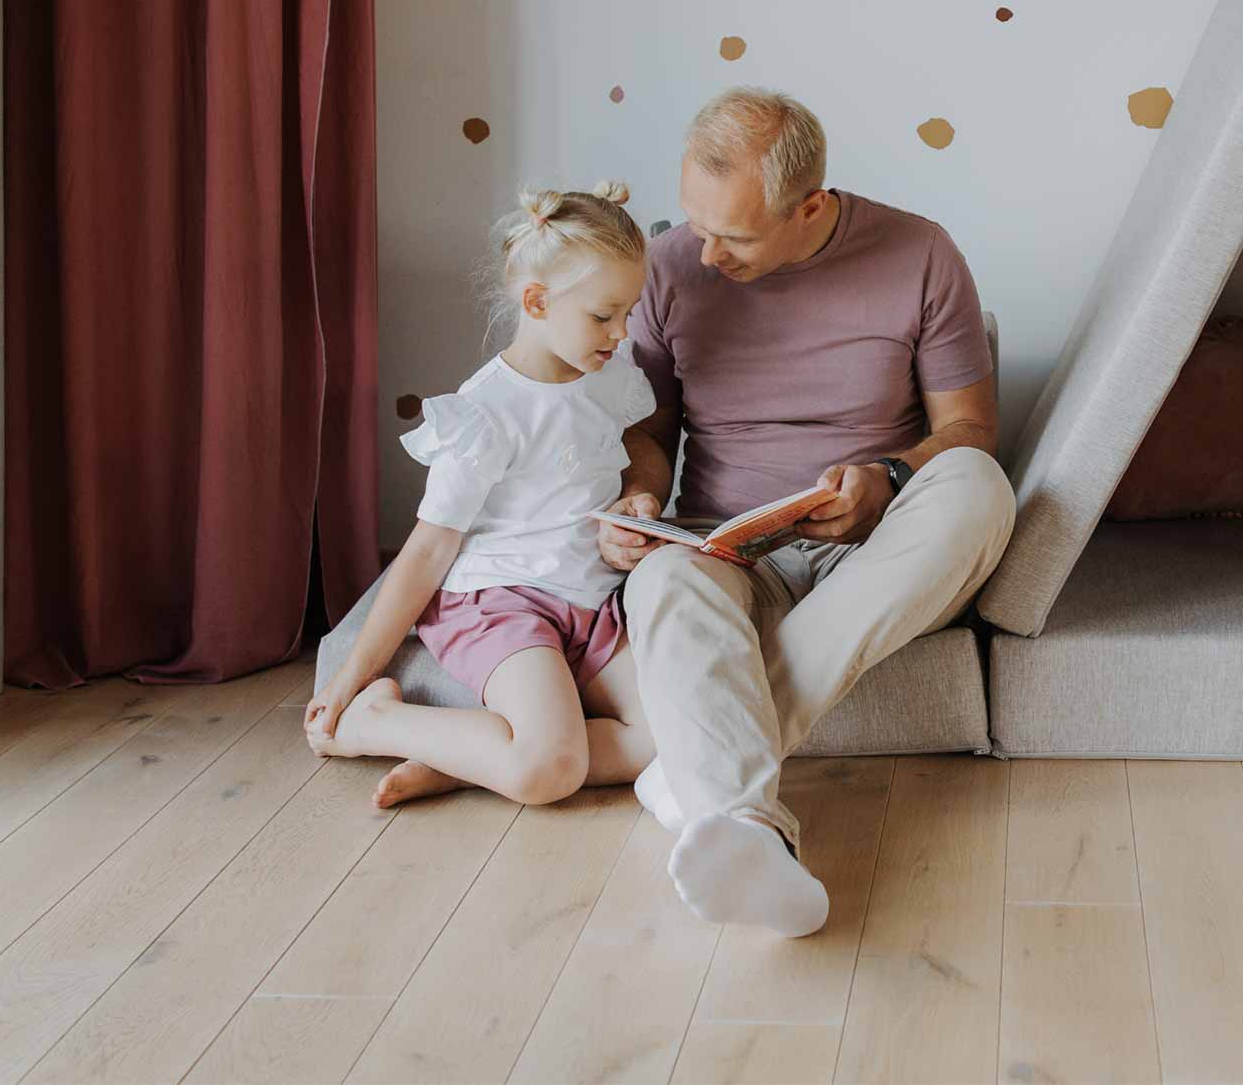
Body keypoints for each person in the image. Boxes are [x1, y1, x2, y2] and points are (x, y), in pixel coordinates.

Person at [600, 87, 1014, 939]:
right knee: (662, 581)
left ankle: (700, 787)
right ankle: (747, 827)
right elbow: (650, 430)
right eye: (695, 224)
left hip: (878, 545)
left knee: (978, 484)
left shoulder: (920, 253)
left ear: (812, 206)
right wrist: (639, 496)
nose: (705, 254)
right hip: (730, 547)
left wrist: (888, 478)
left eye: (736, 236)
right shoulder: (672, 265)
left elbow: (969, 429)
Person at [303, 183, 659, 812]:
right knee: (549, 770)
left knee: (668, 740)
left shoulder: (611, 379)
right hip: (502, 602)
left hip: (594, 603)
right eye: (604, 316)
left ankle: (469, 763)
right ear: (537, 301)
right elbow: (427, 550)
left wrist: (639, 496)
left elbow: (644, 449)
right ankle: (375, 725)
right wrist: (351, 676)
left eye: (628, 311)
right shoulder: (486, 415)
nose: (620, 331)